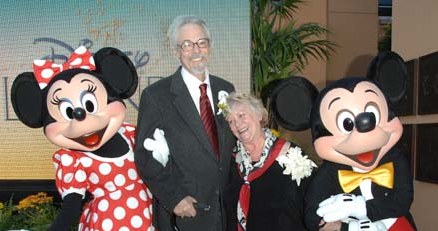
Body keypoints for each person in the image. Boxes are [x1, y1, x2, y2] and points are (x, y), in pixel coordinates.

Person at [134, 15, 236, 231]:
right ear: (175, 51)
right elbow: (145, 156)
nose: (196, 51)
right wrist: (174, 198)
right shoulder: (156, 96)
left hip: (225, 213)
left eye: (202, 43)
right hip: (185, 214)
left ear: (210, 46)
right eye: (187, 45)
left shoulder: (226, 89)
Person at [222, 92, 316, 231]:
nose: (237, 124)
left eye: (241, 115)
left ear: (259, 115)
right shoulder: (230, 161)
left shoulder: (290, 155)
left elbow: (312, 199)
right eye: (231, 121)